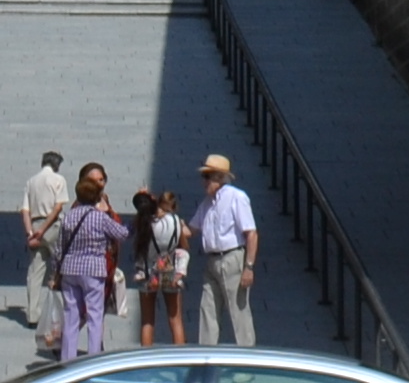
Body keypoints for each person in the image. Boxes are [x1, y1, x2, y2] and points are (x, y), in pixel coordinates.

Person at [47, 163, 129, 362]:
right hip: (93, 270)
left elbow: (59, 248)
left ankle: (67, 360)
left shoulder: (69, 217)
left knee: (71, 316)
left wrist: (56, 271)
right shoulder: (99, 217)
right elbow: (122, 234)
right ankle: (93, 360)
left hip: (70, 270)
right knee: (94, 316)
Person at [192, 152, 261, 345]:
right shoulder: (207, 204)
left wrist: (249, 266)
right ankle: (206, 357)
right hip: (212, 260)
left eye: (208, 176)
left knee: (239, 313)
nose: (204, 181)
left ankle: (247, 360)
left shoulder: (236, 197)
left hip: (232, 258)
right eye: (203, 176)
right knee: (208, 310)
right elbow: (190, 230)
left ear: (220, 177)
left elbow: (251, 233)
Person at [19, 147, 71, 355]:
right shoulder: (59, 180)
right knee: (59, 270)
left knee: (35, 271)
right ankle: (57, 314)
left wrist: (31, 232)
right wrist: (44, 230)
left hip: (35, 226)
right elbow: (58, 208)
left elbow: (25, 210)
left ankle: (32, 315)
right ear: (57, 164)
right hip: (53, 227)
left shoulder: (31, 181)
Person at [134, 185, 188, 346]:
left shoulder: (145, 223)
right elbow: (184, 246)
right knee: (175, 318)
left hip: (148, 271)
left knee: (147, 321)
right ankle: (180, 357)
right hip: (169, 268)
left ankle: (146, 358)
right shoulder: (175, 221)